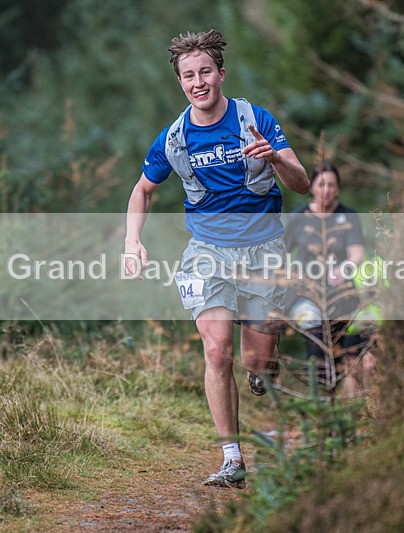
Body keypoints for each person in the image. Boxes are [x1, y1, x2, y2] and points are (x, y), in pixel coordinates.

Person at [124, 29, 309, 489]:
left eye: (205, 71)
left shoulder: (254, 118)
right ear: (181, 83)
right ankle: (232, 458)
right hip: (206, 253)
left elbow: (302, 183)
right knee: (216, 350)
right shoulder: (174, 137)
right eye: (189, 75)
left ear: (221, 74)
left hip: (264, 249)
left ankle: (264, 365)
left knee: (256, 360)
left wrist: (277, 159)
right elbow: (143, 190)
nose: (198, 81)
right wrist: (132, 241)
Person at [283, 162, 376, 394]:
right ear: (312, 186)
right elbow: (280, 254)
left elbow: (357, 253)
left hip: (343, 295)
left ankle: (345, 409)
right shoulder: (298, 218)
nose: (326, 190)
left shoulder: (349, 216)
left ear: (338, 189)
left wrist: (344, 269)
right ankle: (321, 403)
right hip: (307, 296)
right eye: (321, 184)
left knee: (345, 355)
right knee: (317, 347)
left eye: (331, 185)